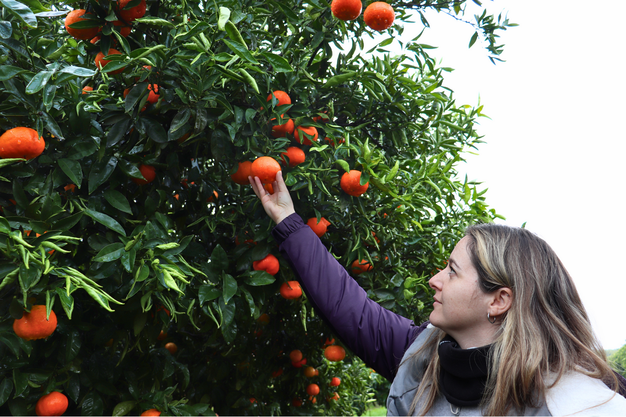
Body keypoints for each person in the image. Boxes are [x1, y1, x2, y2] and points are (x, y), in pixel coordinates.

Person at [249, 172, 626, 416]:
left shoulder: (579, 405)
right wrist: (289, 221)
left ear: (498, 300)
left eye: (452, 271)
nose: (434, 279)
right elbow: (348, 307)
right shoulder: (422, 356)